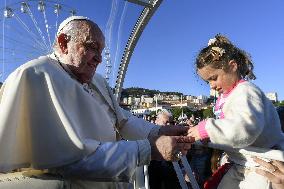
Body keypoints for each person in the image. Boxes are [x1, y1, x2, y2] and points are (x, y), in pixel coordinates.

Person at [0, 16, 193, 188]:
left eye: (101, 50)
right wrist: (148, 149)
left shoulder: (98, 81)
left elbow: (123, 120)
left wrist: (158, 131)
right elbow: (68, 158)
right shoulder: (35, 75)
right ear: (63, 42)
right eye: (92, 47)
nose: (99, 58)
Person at [187, 34, 284, 189]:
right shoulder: (231, 94)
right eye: (208, 81)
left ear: (232, 66)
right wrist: (209, 139)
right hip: (244, 162)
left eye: (214, 78)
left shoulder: (246, 91)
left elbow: (245, 129)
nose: (211, 85)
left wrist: (207, 130)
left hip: (264, 165)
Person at [148, 109, 181, 189]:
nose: (169, 126)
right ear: (156, 121)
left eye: (171, 123)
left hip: (171, 168)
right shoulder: (147, 134)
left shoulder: (176, 134)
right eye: (165, 122)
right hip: (153, 166)